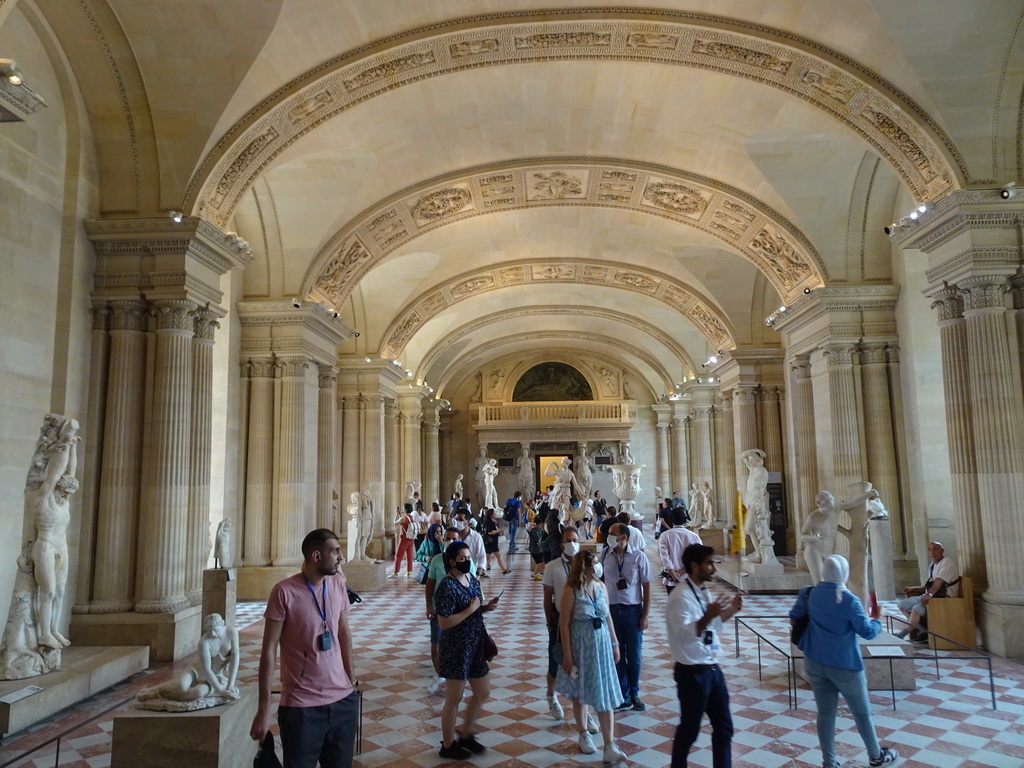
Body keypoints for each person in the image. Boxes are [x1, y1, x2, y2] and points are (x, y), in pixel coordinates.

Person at [250, 529, 358, 768]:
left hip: (342, 704)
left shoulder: (338, 584)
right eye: (336, 551)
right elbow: (268, 651)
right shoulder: (283, 592)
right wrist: (263, 709)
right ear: (316, 557)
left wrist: (351, 682)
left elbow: (344, 633)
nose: (341, 557)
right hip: (302, 709)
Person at [789, 555, 899, 768]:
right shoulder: (849, 600)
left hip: (815, 661)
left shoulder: (808, 593)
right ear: (844, 573)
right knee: (862, 713)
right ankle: (876, 756)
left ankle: (829, 762)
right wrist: (877, 619)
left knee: (825, 714)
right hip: (845, 665)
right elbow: (867, 632)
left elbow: (794, 616)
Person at [667, 544, 742, 768]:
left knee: (724, 727)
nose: (713, 569)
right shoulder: (680, 596)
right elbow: (692, 631)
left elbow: (710, 628)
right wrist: (709, 614)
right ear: (694, 566)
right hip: (692, 673)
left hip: (711, 667)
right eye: (709, 564)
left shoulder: (701, 590)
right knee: (689, 731)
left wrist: (731, 611)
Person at [555, 549, 626, 763]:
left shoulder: (601, 586)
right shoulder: (571, 590)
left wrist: (614, 642)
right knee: (581, 691)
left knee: (605, 692)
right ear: (585, 567)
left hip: (602, 642)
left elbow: (608, 616)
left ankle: (609, 745)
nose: (598, 566)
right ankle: (583, 733)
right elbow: (564, 624)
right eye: (594, 563)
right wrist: (568, 654)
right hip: (581, 645)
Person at [435, 540, 500, 759]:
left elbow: (473, 608)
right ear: (452, 561)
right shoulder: (447, 585)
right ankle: (447, 745)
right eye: (462, 559)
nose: (467, 561)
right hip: (456, 646)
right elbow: (444, 622)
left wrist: (484, 608)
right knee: (455, 697)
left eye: (468, 557)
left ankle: (465, 733)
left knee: (483, 691)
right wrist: (471, 609)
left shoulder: (470, 578)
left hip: (475, 643)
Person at [542, 527, 594, 727]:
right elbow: (548, 599)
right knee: (556, 661)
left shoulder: (585, 567)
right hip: (559, 620)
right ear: (562, 543)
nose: (572, 543)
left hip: (582, 622)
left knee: (581, 665)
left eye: (575, 540)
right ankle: (551, 696)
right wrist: (549, 622)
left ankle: (584, 711)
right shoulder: (552, 567)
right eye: (568, 540)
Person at [600, 522, 653, 711]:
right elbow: (599, 581)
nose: (608, 536)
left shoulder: (639, 557)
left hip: (632, 610)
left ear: (623, 537)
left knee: (634, 655)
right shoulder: (605, 554)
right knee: (617, 654)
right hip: (612, 610)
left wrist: (645, 614)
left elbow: (647, 585)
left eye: (612, 534)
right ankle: (623, 695)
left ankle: (634, 692)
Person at [139, 612, 240, 706]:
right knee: (181, 685)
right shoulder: (204, 642)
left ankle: (160, 696)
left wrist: (230, 685)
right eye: (209, 631)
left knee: (198, 692)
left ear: (222, 624)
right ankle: (153, 690)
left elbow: (235, 657)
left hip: (217, 676)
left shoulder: (231, 632)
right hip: (197, 670)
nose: (213, 634)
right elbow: (206, 669)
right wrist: (220, 690)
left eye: (215, 629)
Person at [425, 526, 475, 695]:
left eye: (455, 538)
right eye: (448, 538)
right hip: (440, 609)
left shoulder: (467, 562)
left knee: (457, 647)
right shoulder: (438, 560)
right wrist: (428, 605)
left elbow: (472, 583)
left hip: (460, 610)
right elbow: (430, 583)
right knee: (436, 646)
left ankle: (455, 679)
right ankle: (441, 676)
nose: (451, 541)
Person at [895, 541, 960, 642]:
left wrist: (929, 594)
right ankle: (923, 629)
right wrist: (914, 589)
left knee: (916, 608)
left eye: (935, 549)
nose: (932, 552)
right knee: (902, 605)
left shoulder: (947, 562)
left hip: (944, 598)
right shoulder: (932, 566)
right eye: (929, 549)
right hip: (933, 595)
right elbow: (928, 585)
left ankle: (903, 634)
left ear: (942, 551)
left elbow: (939, 581)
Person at [659, 508, 702, 593]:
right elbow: (698, 558)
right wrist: (680, 573)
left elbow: (665, 559)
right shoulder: (694, 536)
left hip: (672, 580)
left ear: (670, 520)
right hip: (690, 578)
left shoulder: (665, 535)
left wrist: (675, 577)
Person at [389, 504, 416, 578]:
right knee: (409, 556)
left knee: (398, 555)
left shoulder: (404, 518)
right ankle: (408, 572)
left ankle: (395, 572)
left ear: (405, 509)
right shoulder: (411, 517)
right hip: (411, 539)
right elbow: (405, 520)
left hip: (404, 539)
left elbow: (395, 522)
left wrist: (396, 514)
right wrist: (399, 514)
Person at [483, 508, 511, 574]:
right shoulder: (489, 522)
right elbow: (490, 532)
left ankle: (503, 569)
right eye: (494, 513)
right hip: (490, 542)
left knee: (498, 556)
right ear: (491, 515)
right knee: (487, 557)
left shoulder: (492, 521)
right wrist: (499, 530)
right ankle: (483, 570)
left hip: (493, 542)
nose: (495, 514)